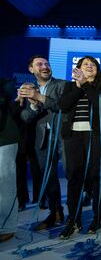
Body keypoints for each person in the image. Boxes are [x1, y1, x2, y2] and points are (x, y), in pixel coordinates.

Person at [58, 56, 101, 239]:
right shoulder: (70, 86)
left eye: (93, 65)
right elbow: (63, 105)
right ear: (78, 69)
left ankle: (98, 217)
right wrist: (78, 86)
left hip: (94, 135)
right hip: (73, 135)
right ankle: (73, 219)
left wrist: (86, 85)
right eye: (85, 64)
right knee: (74, 177)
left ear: (97, 70)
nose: (89, 66)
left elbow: (98, 103)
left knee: (96, 176)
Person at [18, 55, 67, 230]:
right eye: (39, 64)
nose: (45, 66)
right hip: (43, 139)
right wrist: (32, 105)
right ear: (31, 69)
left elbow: (63, 106)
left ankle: (79, 209)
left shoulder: (62, 85)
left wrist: (39, 97)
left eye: (47, 63)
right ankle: (56, 212)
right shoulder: (28, 89)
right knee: (49, 178)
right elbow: (24, 117)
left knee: (72, 173)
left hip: (65, 137)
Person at [0, 78, 21, 243]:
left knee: (5, 185)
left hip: (4, 140)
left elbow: (9, 95)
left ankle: (7, 227)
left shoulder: (4, 82)